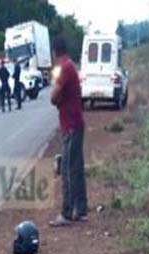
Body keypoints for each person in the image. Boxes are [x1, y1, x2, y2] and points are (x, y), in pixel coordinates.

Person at [49, 37, 87, 226]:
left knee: (67, 170)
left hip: (70, 124)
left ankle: (66, 212)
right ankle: (80, 209)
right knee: (76, 168)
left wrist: (56, 97)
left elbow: (54, 96)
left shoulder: (63, 68)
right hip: (76, 122)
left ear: (55, 52)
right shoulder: (71, 65)